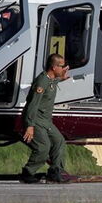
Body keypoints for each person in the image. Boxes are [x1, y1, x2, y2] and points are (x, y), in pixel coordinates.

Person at [19, 53, 70, 183]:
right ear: (54, 67)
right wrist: (29, 125)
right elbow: (32, 104)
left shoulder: (52, 79)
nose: (63, 68)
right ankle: (28, 172)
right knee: (43, 147)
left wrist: (62, 77)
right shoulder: (42, 81)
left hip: (46, 121)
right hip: (36, 120)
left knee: (59, 141)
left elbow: (53, 81)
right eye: (61, 66)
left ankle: (55, 171)